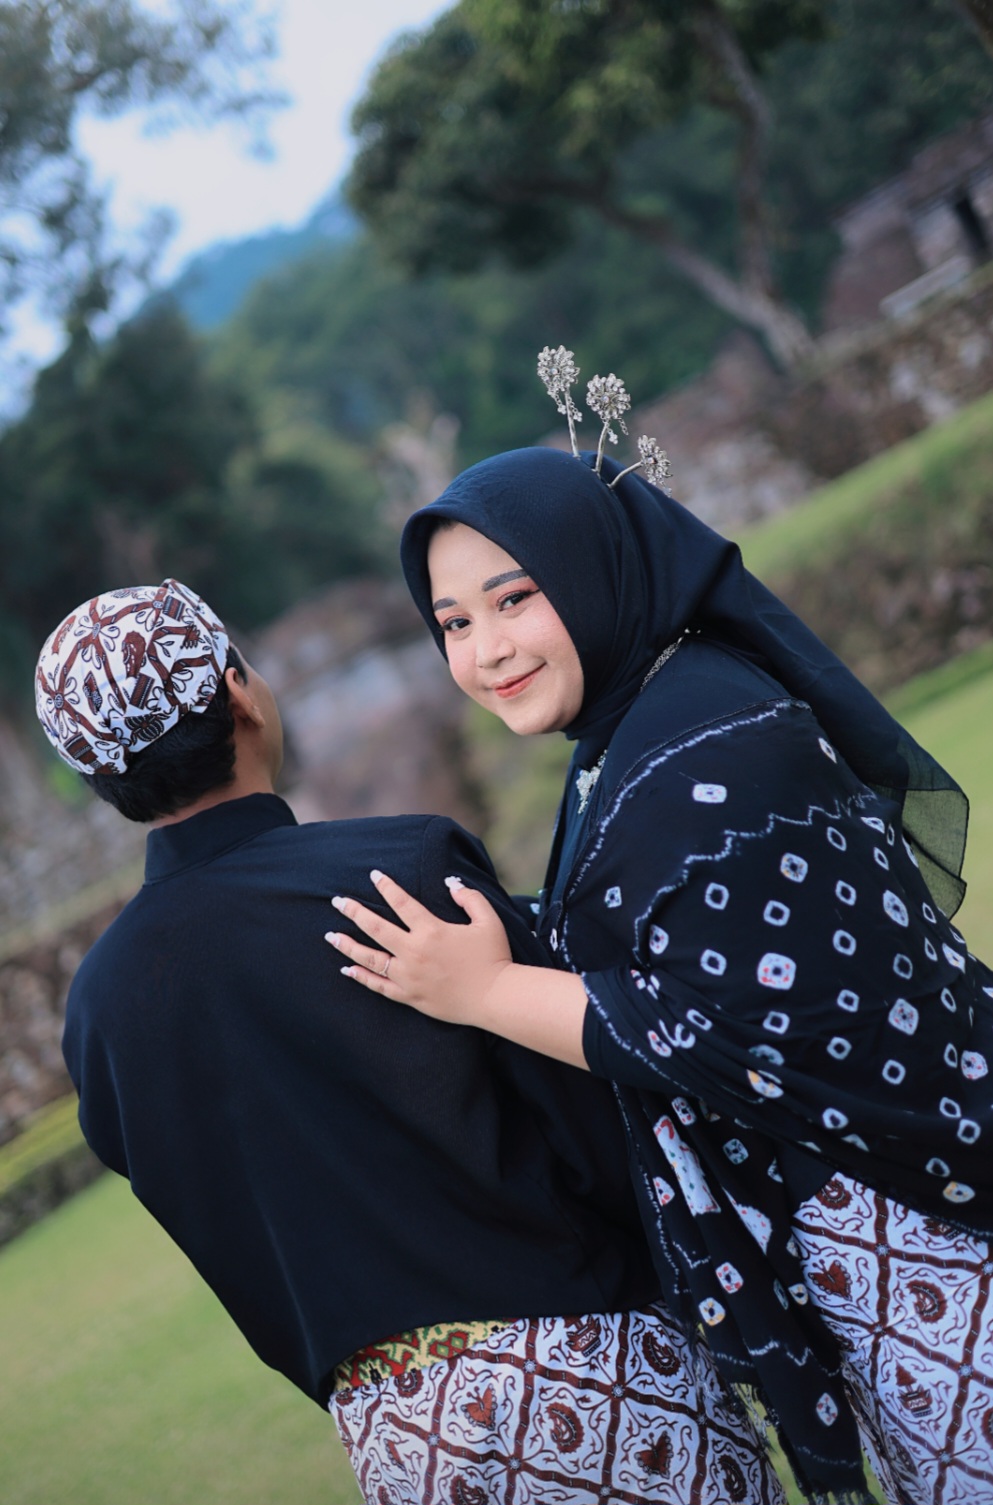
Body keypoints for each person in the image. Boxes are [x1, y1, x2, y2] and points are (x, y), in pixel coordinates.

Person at [328, 438, 993, 1505]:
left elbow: (734, 1026)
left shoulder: (705, 736)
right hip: (868, 1226)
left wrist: (483, 990)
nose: (487, 649)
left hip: (923, 1231)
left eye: (514, 598)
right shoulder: (634, 731)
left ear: (593, 568)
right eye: (453, 622)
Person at [35, 577, 787, 1505]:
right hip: (591, 1365)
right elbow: (592, 1120)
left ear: (101, 778)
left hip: (396, 1430)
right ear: (240, 695)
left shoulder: (98, 1013)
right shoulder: (399, 869)